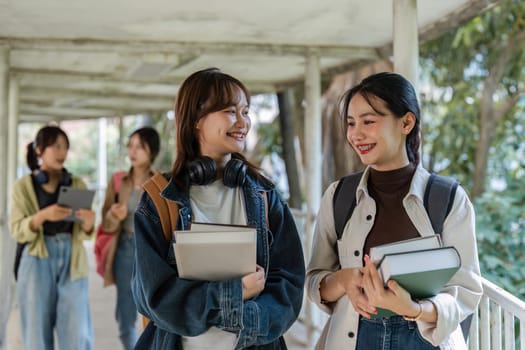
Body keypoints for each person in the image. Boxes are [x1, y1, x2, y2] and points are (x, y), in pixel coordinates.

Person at [305, 72, 483, 350]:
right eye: (351, 123)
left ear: (406, 122)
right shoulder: (338, 196)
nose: (356, 134)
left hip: (425, 339)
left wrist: (413, 309)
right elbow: (315, 281)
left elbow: (466, 291)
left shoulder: (448, 198)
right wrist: (343, 280)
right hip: (354, 338)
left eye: (369, 121)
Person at [131, 67, 305, 349]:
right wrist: (233, 294)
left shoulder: (264, 194)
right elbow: (153, 296)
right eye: (230, 111)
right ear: (196, 119)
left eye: (246, 111)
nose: (243, 122)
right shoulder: (160, 198)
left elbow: (290, 286)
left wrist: (241, 313)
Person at [9, 125, 95, 350]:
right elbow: (16, 229)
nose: (62, 152)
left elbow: (87, 232)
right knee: (36, 334)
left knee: (77, 332)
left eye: (65, 147)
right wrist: (43, 216)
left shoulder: (76, 184)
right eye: (56, 146)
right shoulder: (23, 186)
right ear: (39, 150)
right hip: (36, 259)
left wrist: (88, 223)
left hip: (72, 259)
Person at [100, 126, 160, 349]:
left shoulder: (160, 182)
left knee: (154, 312)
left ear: (151, 151)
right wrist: (114, 216)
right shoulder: (118, 181)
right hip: (124, 249)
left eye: (140, 147)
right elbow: (105, 223)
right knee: (125, 316)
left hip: (151, 252)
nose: (133, 152)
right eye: (131, 146)